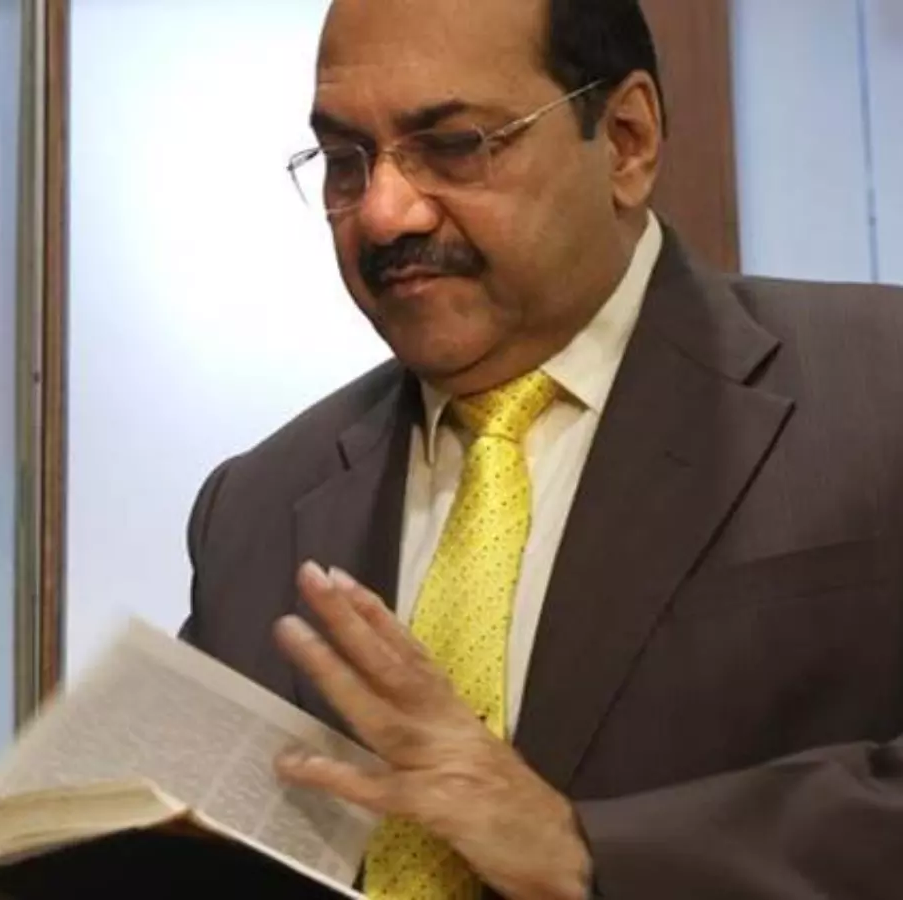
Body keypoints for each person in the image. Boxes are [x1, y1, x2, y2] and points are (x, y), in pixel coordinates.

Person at [177, 0, 903, 898]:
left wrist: (583, 851)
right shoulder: (253, 508)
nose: (384, 215)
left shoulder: (878, 392)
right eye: (344, 160)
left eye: (454, 147)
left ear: (627, 140)